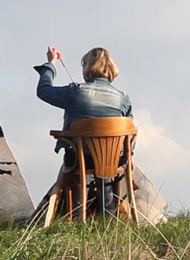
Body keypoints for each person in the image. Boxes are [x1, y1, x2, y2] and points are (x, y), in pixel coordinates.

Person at [34, 46, 133, 215]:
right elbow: (129, 132)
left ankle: (77, 215)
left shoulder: (75, 92)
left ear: (87, 67)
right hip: (113, 161)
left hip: (80, 159)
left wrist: (51, 63)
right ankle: (108, 218)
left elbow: (43, 91)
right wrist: (125, 157)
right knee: (106, 165)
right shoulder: (123, 98)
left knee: (75, 165)